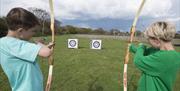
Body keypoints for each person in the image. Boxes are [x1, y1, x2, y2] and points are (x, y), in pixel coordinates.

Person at [0, 7, 54, 91]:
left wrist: (45, 46)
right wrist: (37, 43)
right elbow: (47, 52)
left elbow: (26, 53)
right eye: (33, 31)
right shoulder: (13, 44)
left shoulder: (4, 43)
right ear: (20, 31)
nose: (34, 34)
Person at [129, 21, 180, 91]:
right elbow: (146, 53)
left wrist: (141, 46)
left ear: (156, 40)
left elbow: (138, 61)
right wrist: (131, 47)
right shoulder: (172, 55)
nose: (149, 43)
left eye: (148, 40)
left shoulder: (164, 57)